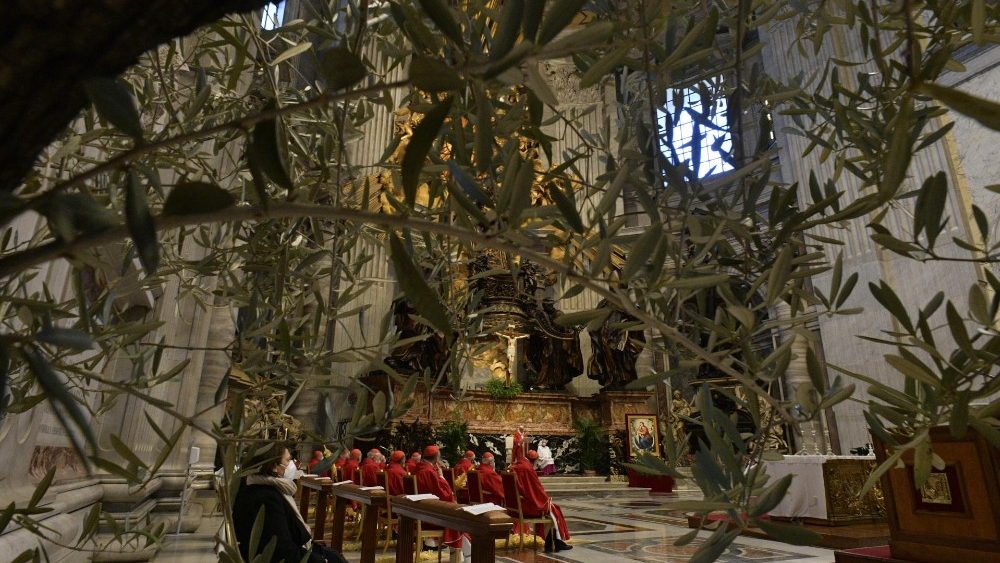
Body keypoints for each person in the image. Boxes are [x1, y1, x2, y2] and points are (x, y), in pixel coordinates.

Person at [233, 443, 348, 563]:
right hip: (279, 557)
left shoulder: (253, 486)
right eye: (288, 460)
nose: (291, 465)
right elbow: (282, 549)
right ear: (273, 465)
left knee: (335, 556)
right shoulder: (266, 498)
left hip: (286, 550)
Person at [512, 453, 572, 553]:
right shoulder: (527, 469)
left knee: (551, 510)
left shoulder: (517, 466)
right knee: (553, 510)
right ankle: (556, 543)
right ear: (534, 460)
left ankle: (551, 542)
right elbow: (535, 489)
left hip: (517, 505)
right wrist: (545, 499)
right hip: (526, 507)